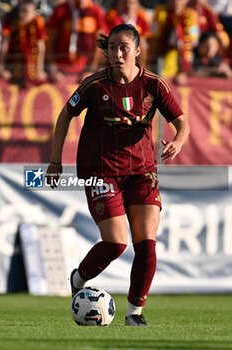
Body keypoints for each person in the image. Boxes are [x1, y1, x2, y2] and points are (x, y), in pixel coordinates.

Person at [46, 24, 190, 326]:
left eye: (124, 47)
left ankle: (134, 315)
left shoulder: (154, 85)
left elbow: (182, 122)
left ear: (138, 50)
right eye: (112, 47)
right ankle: (79, 276)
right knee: (116, 243)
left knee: (147, 245)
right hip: (102, 171)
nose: (118, 53)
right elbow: (64, 116)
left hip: (142, 172)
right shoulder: (95, 85)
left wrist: (177, 140)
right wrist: (55, 162)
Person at [46, 0, 107, 82]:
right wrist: (52, 68)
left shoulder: (96, 11)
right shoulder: (61, 10)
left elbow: (100, 42)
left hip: (84, 69)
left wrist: (91, 70)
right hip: (61, 69)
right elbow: (49, 40)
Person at [148, 0, 199, 82]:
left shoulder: (191, 15)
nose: (176, 2)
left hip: (184, 54)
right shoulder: (160, 12)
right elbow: (155, 38)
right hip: (164, 52)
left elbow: (192, 41)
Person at [0, 0, 47, 87]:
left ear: (34, 12)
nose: (21, 15)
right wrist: (1, 68)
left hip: (31, 67)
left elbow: (41, 47)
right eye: (20, 11)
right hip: (12, 66)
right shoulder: (10, 19)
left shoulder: (38, 21)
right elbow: (4, 45)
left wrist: (39, 70)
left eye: (25, 11)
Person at [106, 0, 151, 64]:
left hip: (136, 47)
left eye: (132, 3)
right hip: (119, 46)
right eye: (125, 2)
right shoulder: (112, 16)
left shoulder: (142, 16)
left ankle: (141, 68)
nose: (129, 6)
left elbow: (146, 36)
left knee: (142, 45)